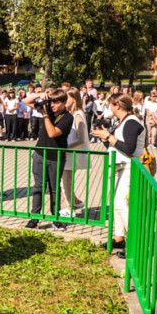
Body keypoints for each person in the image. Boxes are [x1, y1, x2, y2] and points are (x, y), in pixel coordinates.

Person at [91, 95, 144, 248]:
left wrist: (108, 136)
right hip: (120, 166)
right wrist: (105, 139)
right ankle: (119, 238)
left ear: (117, 106)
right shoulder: (123, 122)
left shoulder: (131, 122)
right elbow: (116, 147)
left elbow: (129, 148)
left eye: (110, 106)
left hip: (130, 167)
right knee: (116, 204)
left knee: (121, 204)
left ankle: (135, 241)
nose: (109, 109)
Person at [22, 89, 73, 230]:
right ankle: (34, 218)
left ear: (63, 103)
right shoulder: (47, 109)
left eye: (56, 103)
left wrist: (45, 116)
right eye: (51, 102)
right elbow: (26, 101)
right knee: (38, 187)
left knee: (54, 189)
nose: (53, 105)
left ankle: (55, 218)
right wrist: (39, 95)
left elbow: (52, 133)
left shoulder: (68, 117)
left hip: (56, 158)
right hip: (40, 155)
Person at [59, 89, 90, 218]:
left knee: (66, 183)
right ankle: (76, 202)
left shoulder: (78, 115)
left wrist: (65, 147)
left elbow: (81, 138)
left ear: (74, 99)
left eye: (67, 97)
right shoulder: (74, 114)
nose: (65, 100)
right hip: (70, 154)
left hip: (72, 154)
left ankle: (70, 208)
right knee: (66, 182)